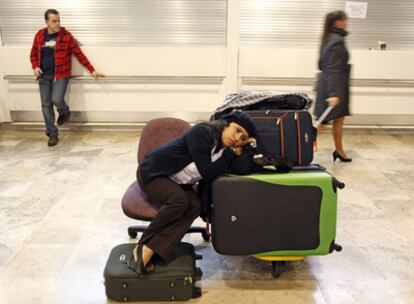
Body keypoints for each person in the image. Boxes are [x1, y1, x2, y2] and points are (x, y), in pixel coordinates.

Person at [131, 111, 257, 274]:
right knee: (180, 201)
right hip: (154, 173)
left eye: (243, 138)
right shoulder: (202, 133)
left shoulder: (224, 151)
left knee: (194, 206)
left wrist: (251, 146)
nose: (237, 137)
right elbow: (207, 172)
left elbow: (239, 169)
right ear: (226, 124)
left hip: (179, 182)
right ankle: (142, 246)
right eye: (237, 130)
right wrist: (231, 154)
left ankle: (153, 248)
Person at [30, 9, 104, 146]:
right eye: (54, 21)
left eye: (58, 20)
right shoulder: (40, 35)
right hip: (43, 76)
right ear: (47, 22)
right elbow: (33, 54)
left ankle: (64, 111)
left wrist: (92, 70)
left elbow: (79, 54)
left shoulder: (66, 36)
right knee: (46, 105)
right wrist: (35, 67)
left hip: (61, 74)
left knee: (56, 99)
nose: (57, 23)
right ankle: (52, 134)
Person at [314, 10, 352, 162]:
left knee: (338, 119)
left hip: (329, 85)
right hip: (333, 88)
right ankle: (298, 149)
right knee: (321, 123)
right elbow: (334, 67)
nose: (347, 22)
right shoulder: (337, 41)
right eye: (345, 20)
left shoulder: (327, 38)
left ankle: (339, 151)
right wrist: (333, 93)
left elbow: (321, 64)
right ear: (338, 22)